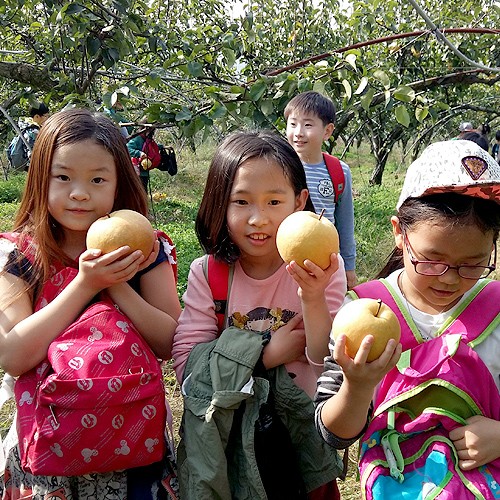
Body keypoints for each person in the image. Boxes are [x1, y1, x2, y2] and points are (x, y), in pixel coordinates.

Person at [0, 108, 181, 499]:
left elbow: (171, 342)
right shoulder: (19, 256)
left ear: (119, 183)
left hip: (132, 442)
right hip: (49, 449)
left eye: (97, 179)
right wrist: (85, 285)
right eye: (63, 177)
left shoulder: (144, 249)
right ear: (40, 179)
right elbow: (13, 355)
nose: (79, 193)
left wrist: (117, 285)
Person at [315, 140, 500, 497]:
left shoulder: (495, 310)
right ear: (400, 233)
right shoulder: (361, 310)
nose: (449, 279)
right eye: (432, 260)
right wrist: (357, 386)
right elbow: (334, 434)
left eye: (472, 264)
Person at [172, 130, 347, 499]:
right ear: (220, 203)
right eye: (241, 202)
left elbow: (325, 360)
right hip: (231, 441)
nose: (258, 218)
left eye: (274, 201)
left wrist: (313, 296)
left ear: (299, 201)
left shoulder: (322, 266)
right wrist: (264, 355)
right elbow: (188, 368)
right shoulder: (210, 274)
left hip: (302, 439)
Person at [284, 91, 357, 289]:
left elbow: (345, 222)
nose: (298, 132)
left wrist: (348, 266)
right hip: (286, 258)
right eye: (293, 124)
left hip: (325, 262)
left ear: (327, 131)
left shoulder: (339, 171)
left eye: (308, 125)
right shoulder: (279, 167)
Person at [6, 102, 50, 171]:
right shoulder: (33, 131)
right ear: (37, 116)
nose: (48, 118)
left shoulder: (26, 125)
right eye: (46, 116)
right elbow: (32, 151)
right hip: (34, 166)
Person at [127, 118, 157, 193]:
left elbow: (151, 147)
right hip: (137, 172)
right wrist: (139, 153)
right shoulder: (137, 139)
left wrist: (162, 147)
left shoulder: (147, 139)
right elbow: (127, 149)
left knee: (143, 193)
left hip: (144, 172)